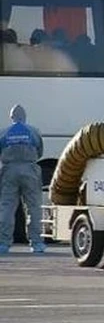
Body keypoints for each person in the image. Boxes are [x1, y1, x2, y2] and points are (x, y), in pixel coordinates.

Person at [0, 105, 44, 254]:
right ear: (25, 116)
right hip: (30, 169)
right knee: (33, 207)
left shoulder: (4, 132)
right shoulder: (34, 131)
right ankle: (36, 243)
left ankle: (4, 243)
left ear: (11, 117)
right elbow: (40, 151)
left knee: (7, 208)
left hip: (9, 171)